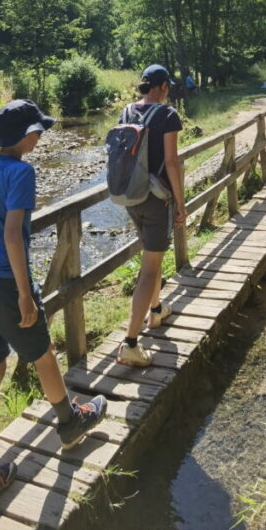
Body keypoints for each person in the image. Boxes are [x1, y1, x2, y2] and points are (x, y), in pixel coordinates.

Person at [0, 98, 106, 522]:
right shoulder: (22, 171)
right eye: (38, 131)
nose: (41, 137)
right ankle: (70, 423)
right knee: (42, 354)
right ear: (25, 136)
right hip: (6, 284)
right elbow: (12, 236)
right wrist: (25, 293)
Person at [116, 65, 187, 367]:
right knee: (149, 269)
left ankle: (156, 310)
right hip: (157, 200)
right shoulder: (168, 115)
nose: (168, 90)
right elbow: (171, 162)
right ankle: (131, 343)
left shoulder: (127, 112)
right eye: (167, 86)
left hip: (131, 196)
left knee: (152, 256)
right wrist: (181, 204)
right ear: (162, 87)